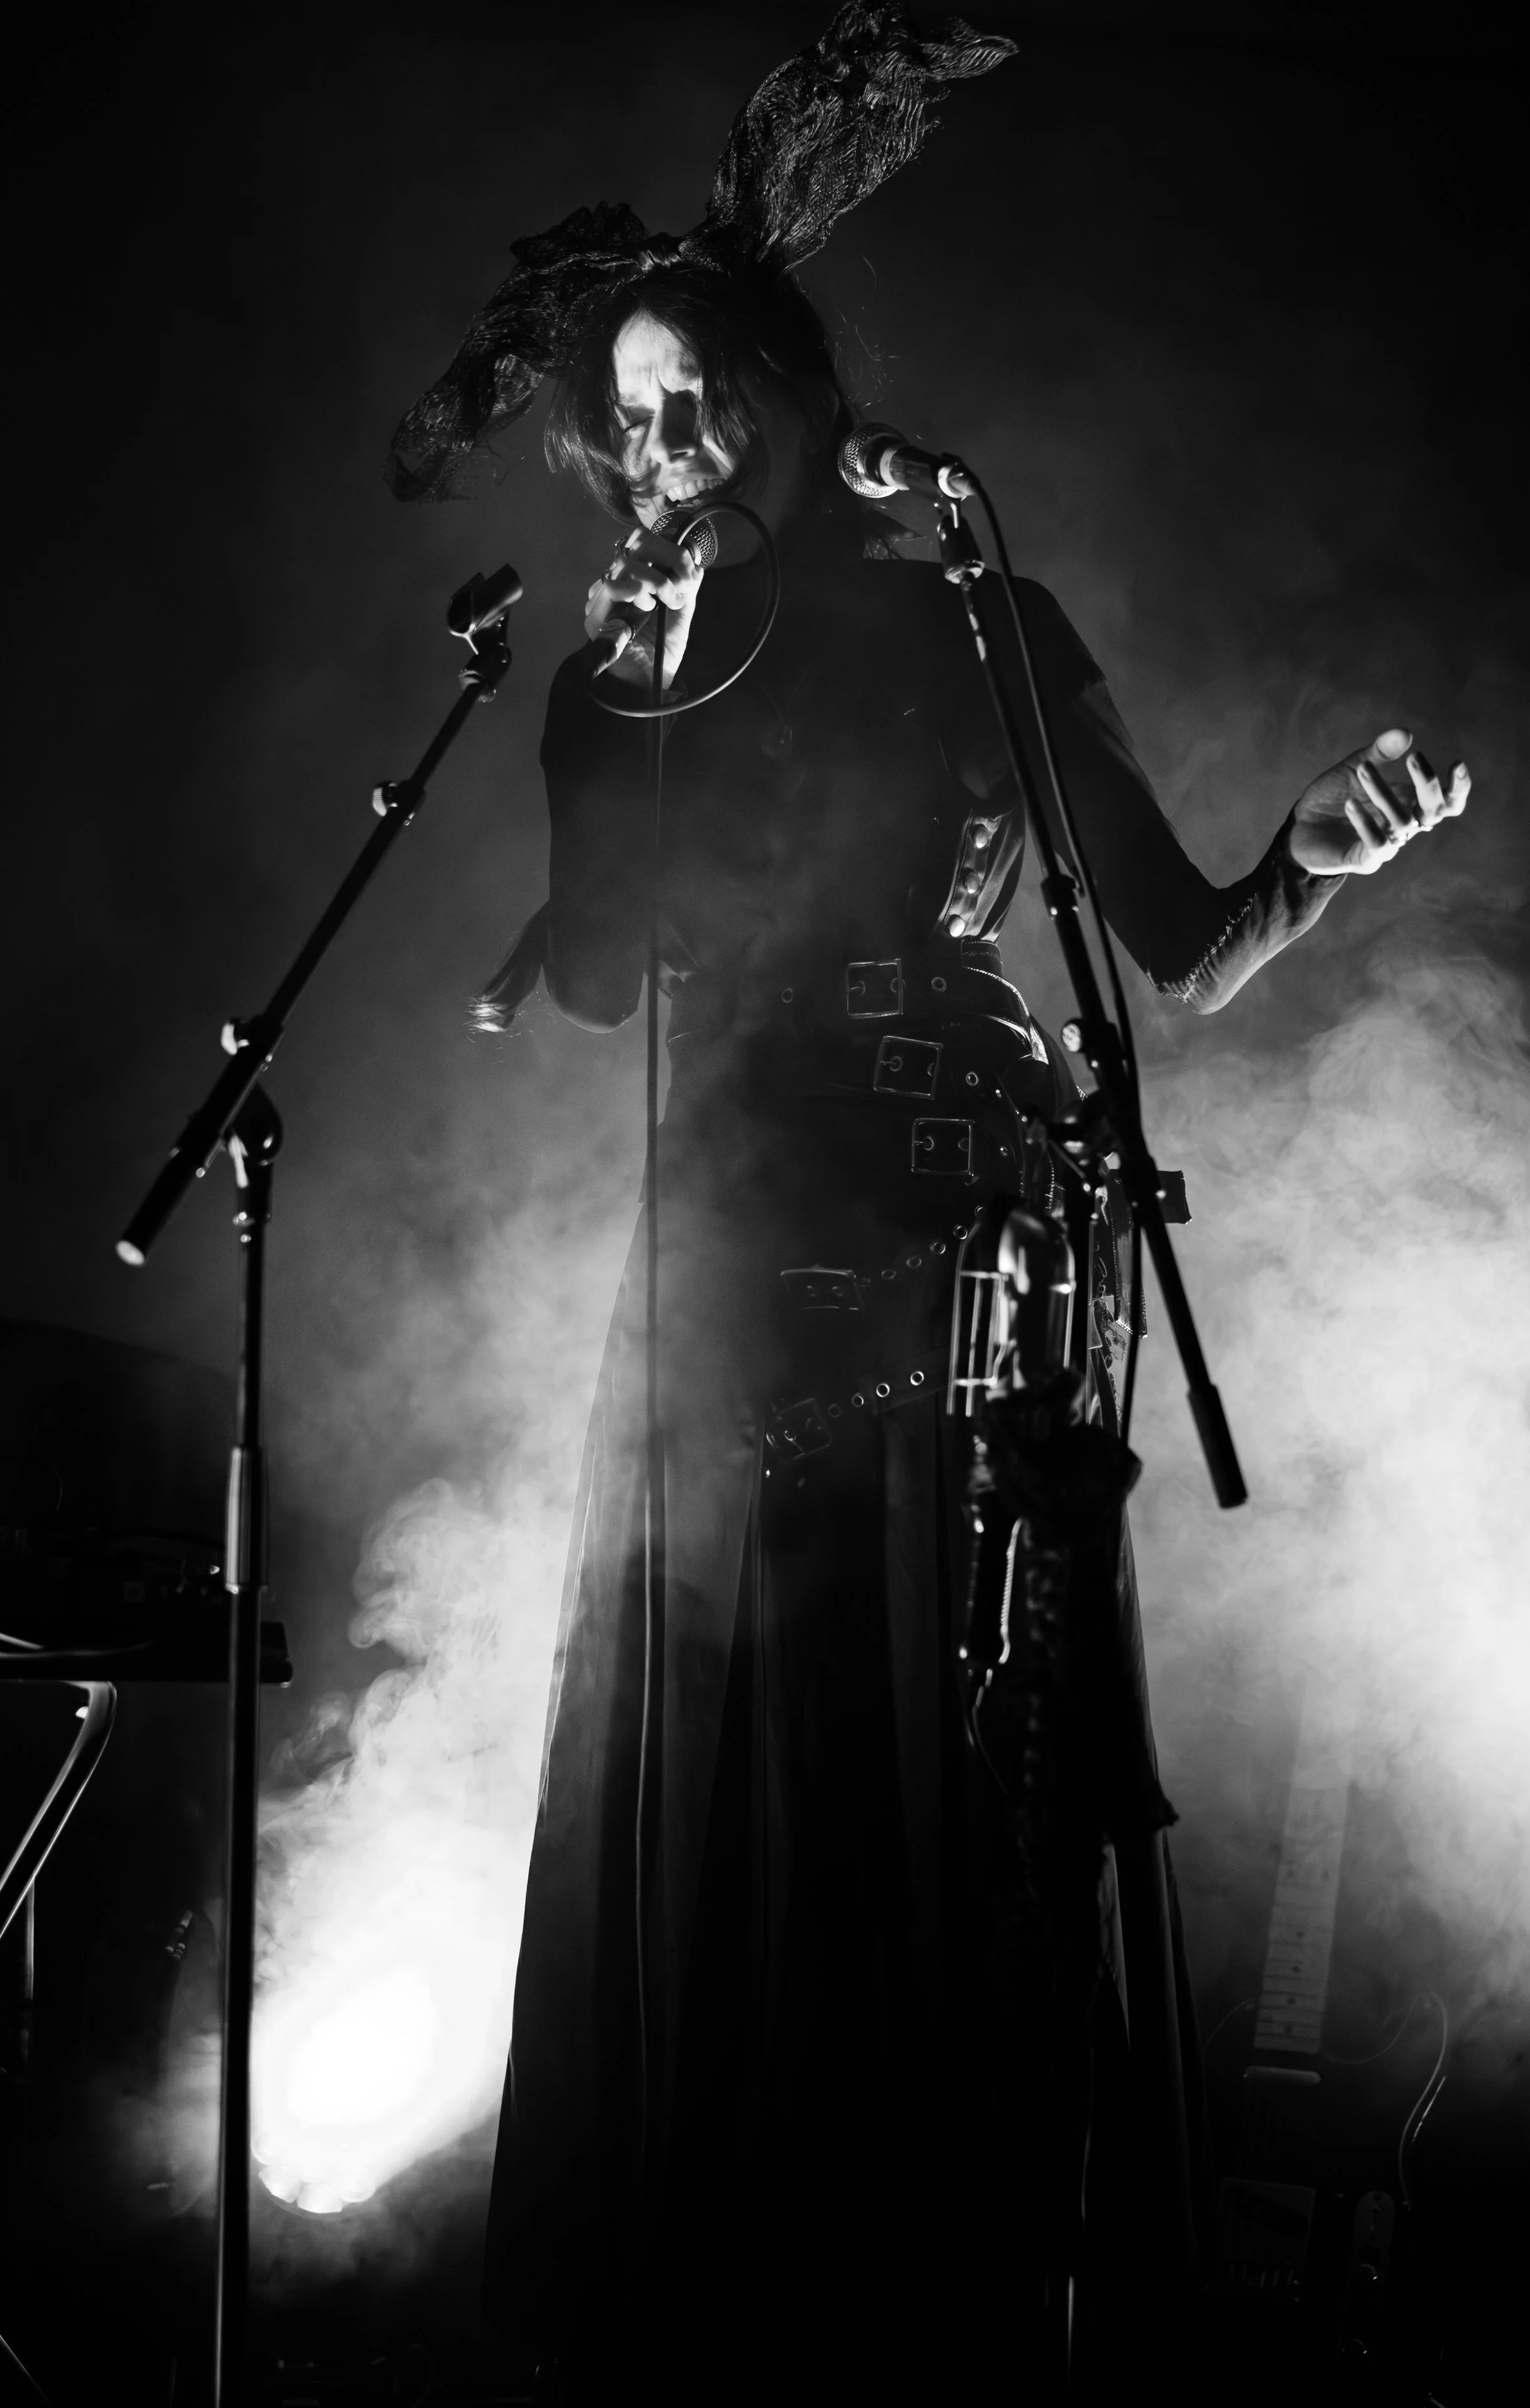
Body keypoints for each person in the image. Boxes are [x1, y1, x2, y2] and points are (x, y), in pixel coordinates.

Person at [388, 11, 1468, 2399]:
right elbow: (591, 973)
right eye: (633, 427)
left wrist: (1313, 849)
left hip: (975, 1240)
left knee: (952, 1775)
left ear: (788, 394)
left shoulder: (956, 607)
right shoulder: (618, 679)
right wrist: (606, 713)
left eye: (702, 404)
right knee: (731, 1733)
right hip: (720, 1255)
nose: (670, 453)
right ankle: (699, 2279)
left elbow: (1167, 941)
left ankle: (952, 2295)